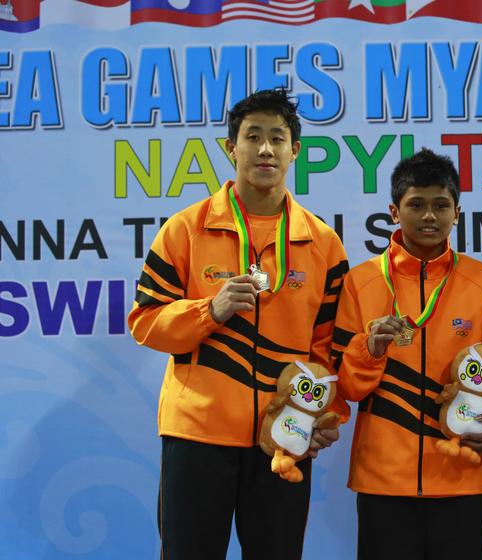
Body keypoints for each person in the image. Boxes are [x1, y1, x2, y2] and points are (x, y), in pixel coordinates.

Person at [127, 89, 349, 560]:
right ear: (231, 148)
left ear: (295, 151)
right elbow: (145, 322)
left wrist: (327, 416)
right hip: (198, 433)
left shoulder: (324, 244)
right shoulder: (185, 229)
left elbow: (328, 351)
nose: (265, 149)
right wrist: (208, 310)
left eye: (277, 137)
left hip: (285, 434)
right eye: (253, 137)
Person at [330, 148, 482, 560]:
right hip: (382, 480)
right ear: (393, 210)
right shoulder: (360, 283)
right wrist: (371, 348)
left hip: (463, 474)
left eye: (441, 205)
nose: (429, 216)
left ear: (458, 212)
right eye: (415, 205)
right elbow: (345, 387)